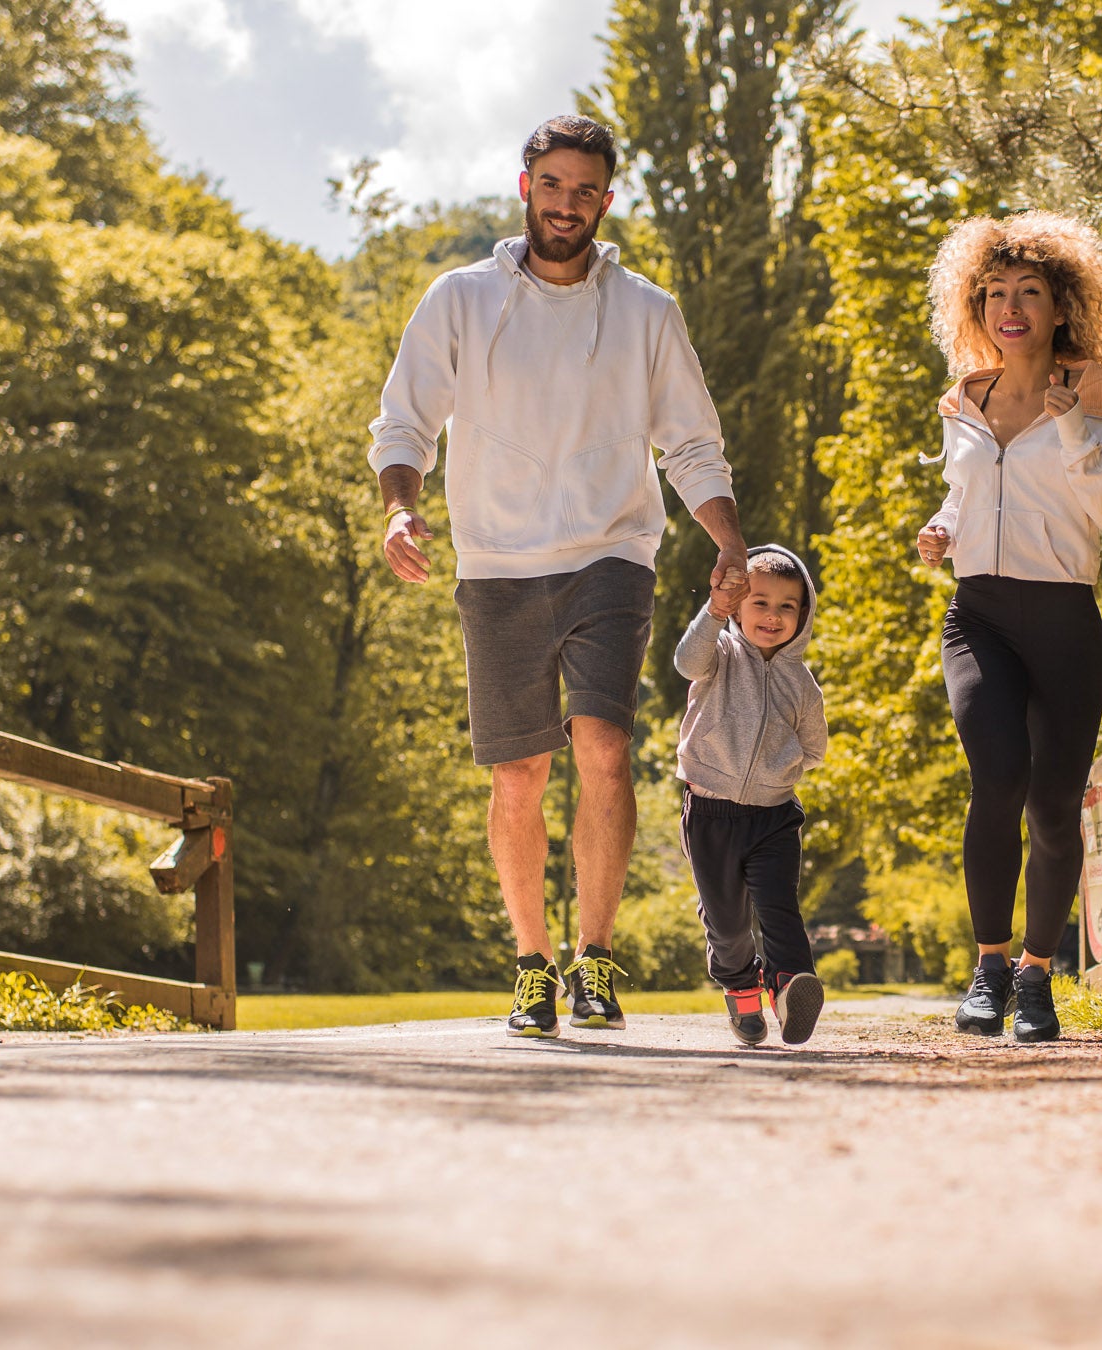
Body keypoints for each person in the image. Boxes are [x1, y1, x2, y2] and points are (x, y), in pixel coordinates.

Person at [368, 114, 750, 1038]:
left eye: (587, 191)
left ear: (606, 201)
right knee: (518, 775)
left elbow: (692, 444)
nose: (568, 205)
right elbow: (404, 423)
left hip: (612, 552)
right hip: (497, 563)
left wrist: (729, 544)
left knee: (604, 745)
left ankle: (596, 960)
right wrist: (399, 506)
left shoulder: (647, 312)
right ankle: (533, 965)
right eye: (554, 186)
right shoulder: (460, 300)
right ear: (526, 186)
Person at [915, 212, 1102, 1043]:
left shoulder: (1100, 396)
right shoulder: (962, 400)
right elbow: (965, 494)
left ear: (1060, 308)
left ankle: (1037, 978)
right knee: (998, 777)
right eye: (995, 294)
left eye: (1030, 294)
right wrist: (942, 528)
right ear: (976, 307)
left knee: (1053, 808)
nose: (1010, 309)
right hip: (977, 615)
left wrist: (1076, 422)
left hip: (1062, 621)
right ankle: (988, 967)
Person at [674, 545, 828, 1046]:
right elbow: (684, 661)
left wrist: (775, 774)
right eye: (759, 602)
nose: (773, 616)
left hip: (773, 816)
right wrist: (714, 611)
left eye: (787, 606)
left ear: (802, 616)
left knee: (779, 906)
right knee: (728, 922)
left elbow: (814, 747)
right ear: (739, 605)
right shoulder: (719, 656)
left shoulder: (801, 682)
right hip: (711, 812)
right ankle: (742, 989)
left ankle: (791, 984)